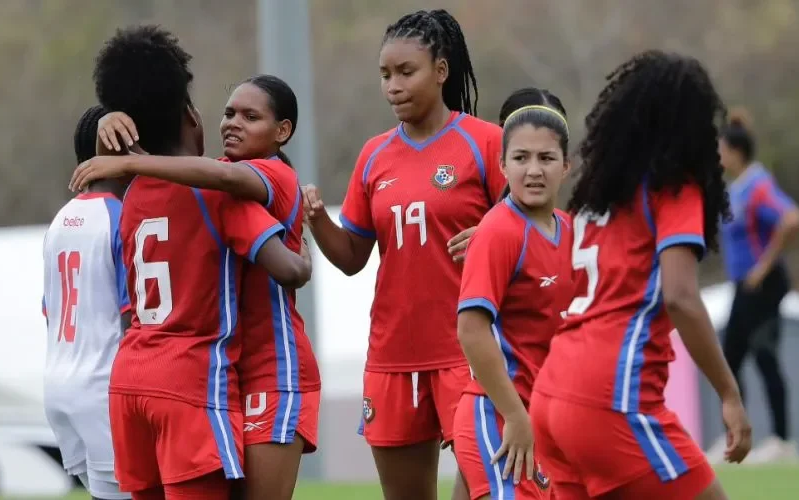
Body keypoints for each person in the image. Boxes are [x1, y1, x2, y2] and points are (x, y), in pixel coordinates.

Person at [71, 75, 319, 500]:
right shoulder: (207, 182)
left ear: (283, 132)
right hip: (223, 374)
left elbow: (205, 174)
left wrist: (130, 161)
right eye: (228, 113)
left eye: (250, 116)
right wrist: (115, 120)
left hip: (272, 371)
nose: (232, 124)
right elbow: (176, 172)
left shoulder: (268, 174)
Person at [529, 50, 753, 500]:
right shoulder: (675, 185)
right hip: (611, 401)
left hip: (551, 394)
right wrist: (730, 394)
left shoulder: (603, 192)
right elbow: (681, 297)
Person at [301, 9, 503, 500]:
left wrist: (492, 236)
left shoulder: (484, 144)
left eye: (405, 72)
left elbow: (534, 233)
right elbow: (352, 258)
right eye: (385, 75)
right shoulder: (373, 156)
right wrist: (317, 222)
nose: (393, 85)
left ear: (441, 70)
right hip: (393, 356)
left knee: (489, 487)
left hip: (468, 351)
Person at [453, 89, 573, 500]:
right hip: (499, 415)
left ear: (567, 166)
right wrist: (515, 415)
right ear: (502, 165)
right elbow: (471, 330)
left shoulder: (573, 231)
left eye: (546, 158)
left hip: (548, 420)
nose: (533, 170)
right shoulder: (499, 230)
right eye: (521, 158)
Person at [704, 108, 799, 465]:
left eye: (722, 148)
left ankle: (782, 441)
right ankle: (735, 439)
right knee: (730, 359)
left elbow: (791, 219)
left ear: (734, 151)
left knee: (763, 356)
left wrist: (763, 267)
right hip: (743, 287)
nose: (718, 154)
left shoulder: (758, 185)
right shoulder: (738, 187)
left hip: (762, 285)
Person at [42, 104, 131, 500]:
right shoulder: (123, 218)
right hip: (103, 387)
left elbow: (50, 311)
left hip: (59, 386)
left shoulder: (61, 219)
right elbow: (134, 321)